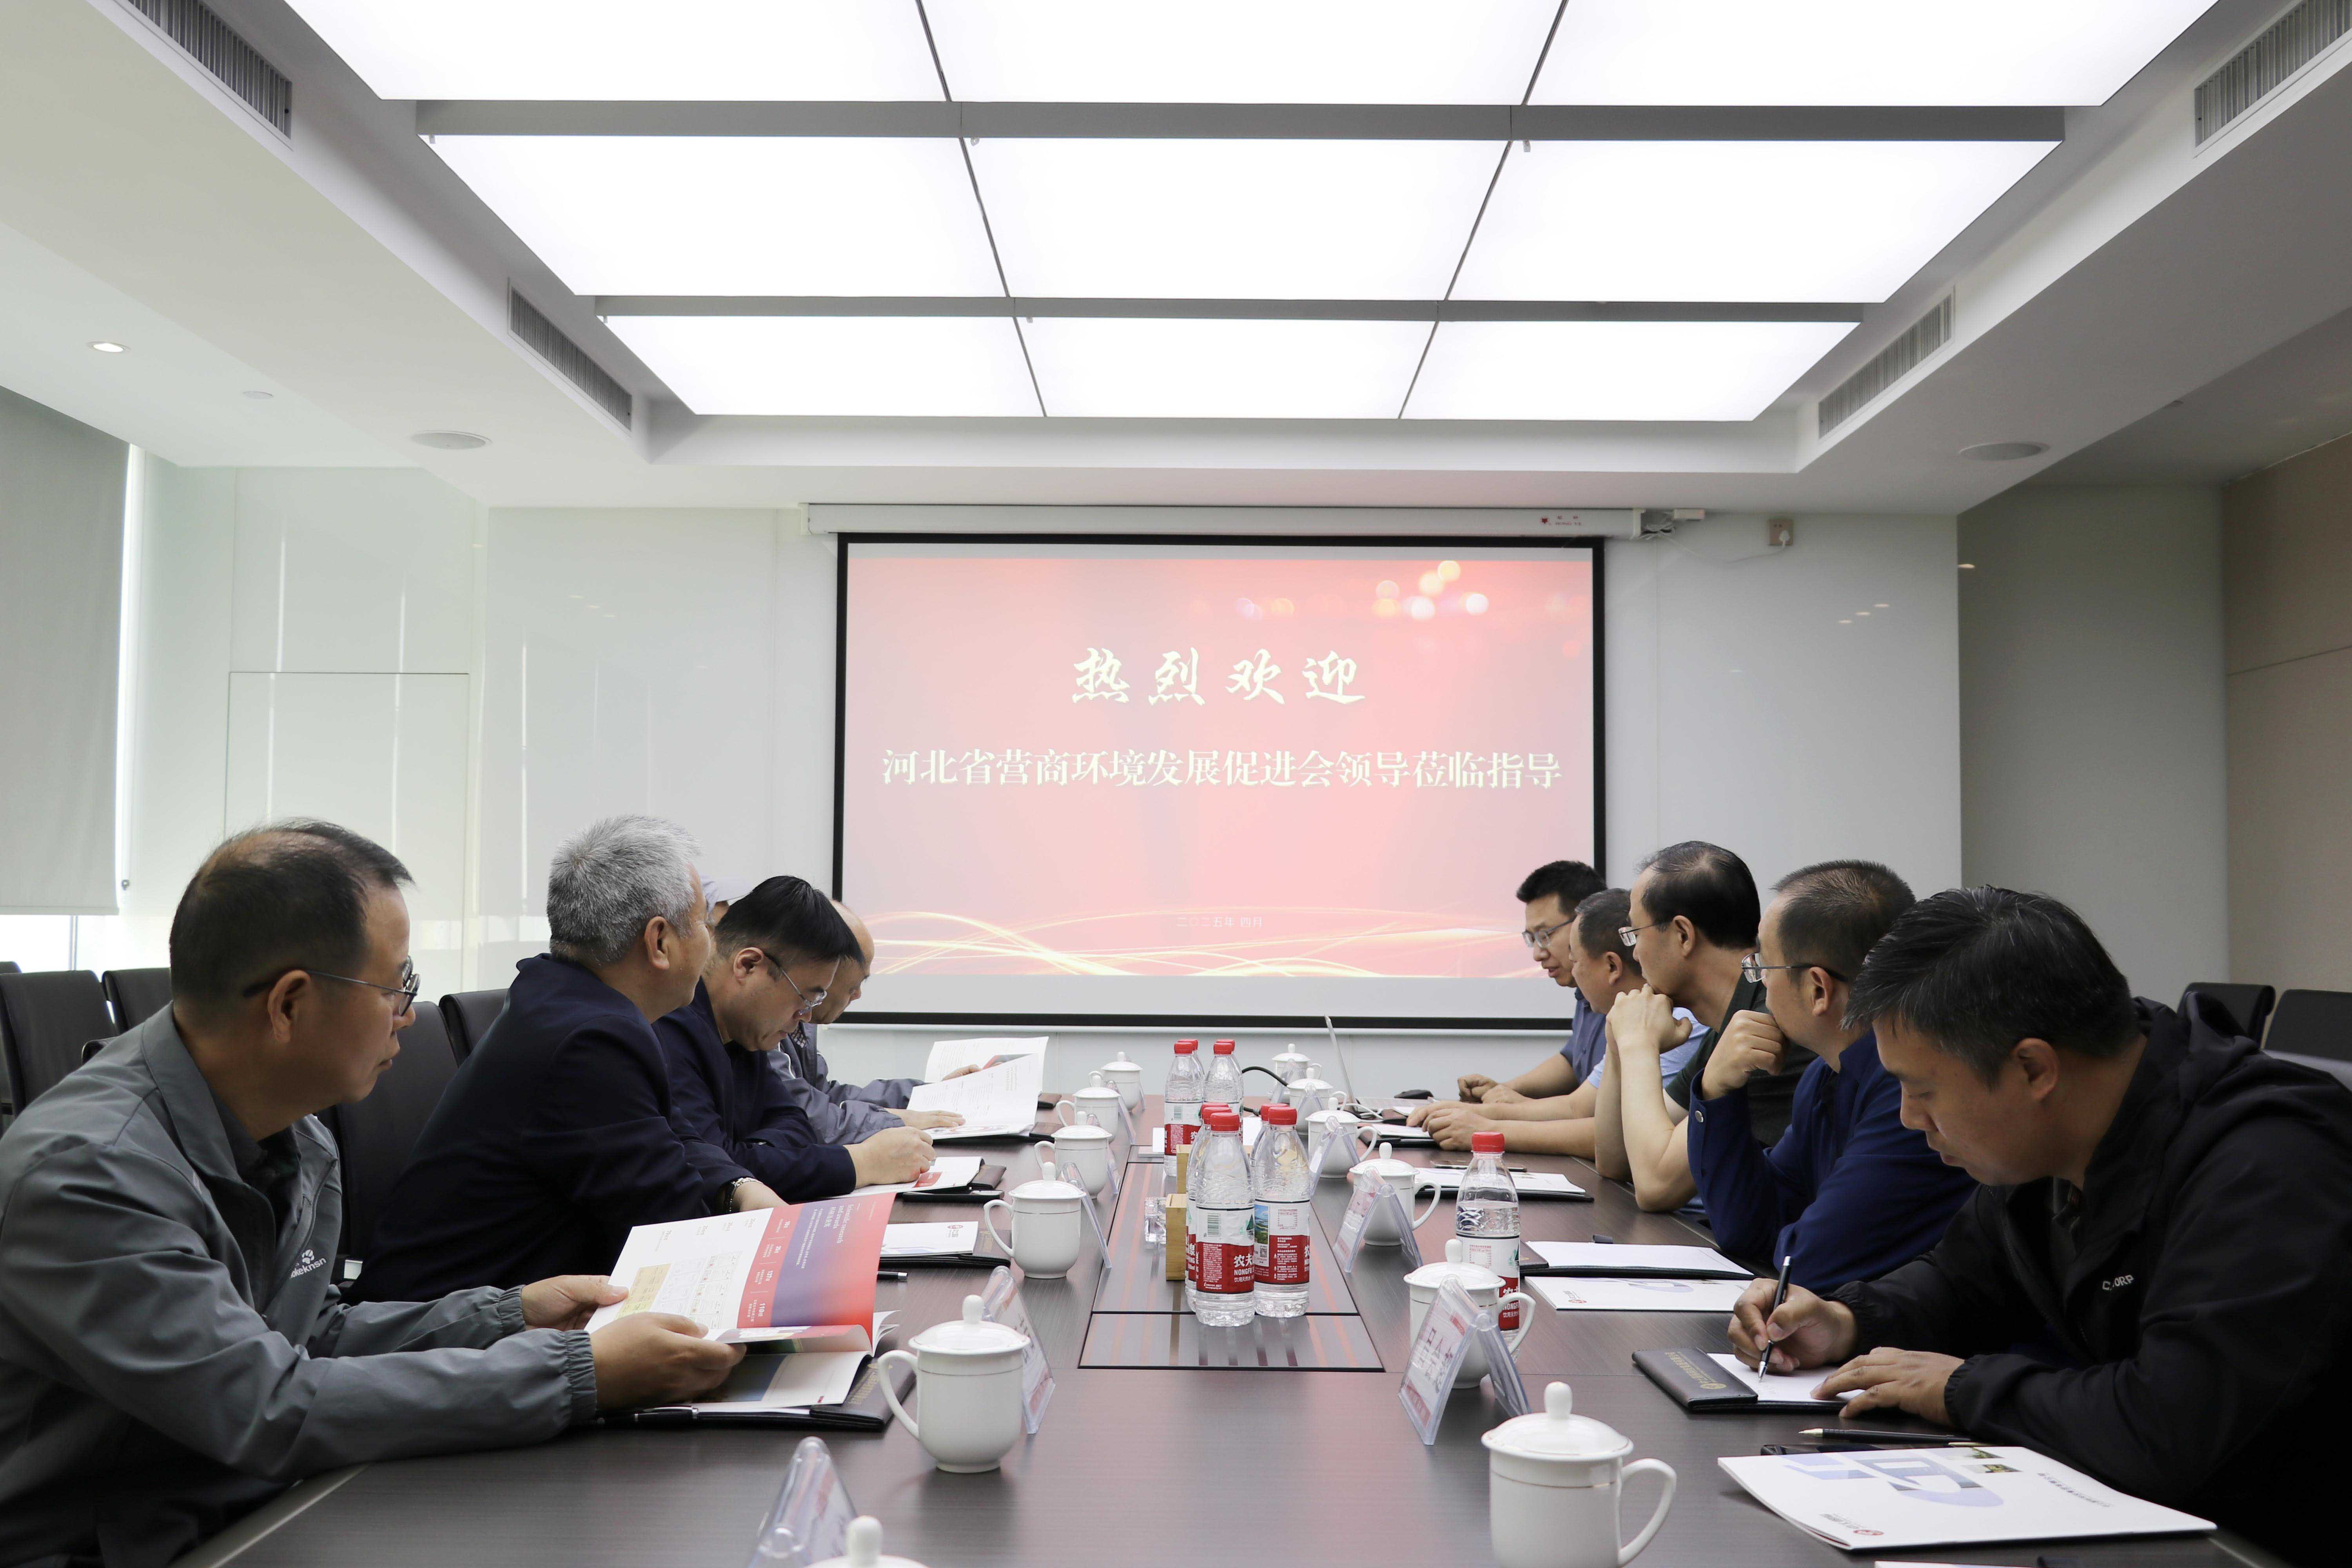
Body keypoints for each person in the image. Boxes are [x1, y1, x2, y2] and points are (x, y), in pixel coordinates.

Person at [0, 821, 740, 1568]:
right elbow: (268, 1406)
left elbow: (308, 1334)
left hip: (253, 1511)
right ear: (290, 1005)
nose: (408, 1013)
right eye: (395, 986)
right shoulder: (89, 1174)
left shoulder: (295, 1138)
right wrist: (579, 1373)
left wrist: (509, 1314)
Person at [1728, 888, 2352, 1565]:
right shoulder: (2051, 1142)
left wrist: (1964, 1389)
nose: (1908, 1117)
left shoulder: (2268, 1165)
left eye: (1924, 1091)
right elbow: (1962, 1280)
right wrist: (1850, 1320)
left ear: (2033, 1068)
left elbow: (2170, 1426)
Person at [355, 816, 786, 1302]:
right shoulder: (590, 1041)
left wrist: (738, 1187)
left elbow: (674, 1133)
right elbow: (670, 1233)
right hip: (448, 1328)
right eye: (706, 924)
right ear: (660, 941)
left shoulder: (568, 1001)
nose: (712, 942)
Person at [1685, 861, 1972, 1286]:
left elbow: (1807, 1261)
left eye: (1764, 967)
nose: (1760, 983)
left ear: (1818, 989)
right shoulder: (1823, 1076)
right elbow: (1746, 1228)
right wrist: (1716, 1091)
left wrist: (1790, 1234)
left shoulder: (1909, 1092)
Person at [660, 876, 938, 1199]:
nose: (806, 1017)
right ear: (748, 966)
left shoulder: (745, 1032)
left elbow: (795, 1122)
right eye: (805, 998)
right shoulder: (670, 1030)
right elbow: (720, 1170)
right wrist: (861, 1163)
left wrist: (757, 1153)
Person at [1414, 886, 1703, 1155]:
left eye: (1575, 961)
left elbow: (1622, 1141)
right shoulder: (1627, 1014)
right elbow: (1580, 1108)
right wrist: (1479, 1112)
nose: (1637, 953)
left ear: (1613, 966)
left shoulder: (1676, 1020)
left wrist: (1487, 1130)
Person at [1593, 840, 1789, 1211]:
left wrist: (1638, 1044)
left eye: (1635, 933)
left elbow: (1655, 1186)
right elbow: (1614, 1160)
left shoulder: (1767, 1021)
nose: (1634, 953)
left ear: (1683, 935)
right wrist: (1617, 1044)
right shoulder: (1728, 1019)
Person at [768, 901, 967, 1142]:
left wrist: (931, 1094)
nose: (858, 995)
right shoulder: (766, 1027)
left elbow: (826, 1096)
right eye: (854, 985)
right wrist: (896, 1120)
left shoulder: (800, 1023)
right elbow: (807, 1116)